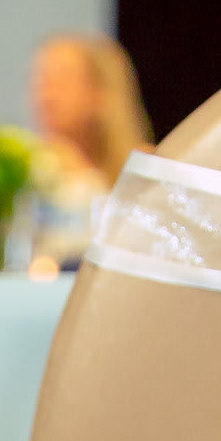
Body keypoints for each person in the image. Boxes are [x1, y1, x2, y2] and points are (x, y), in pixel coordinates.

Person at [19, 32, 152, 268]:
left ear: (100, 92)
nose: (45, 96)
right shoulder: (22, 172)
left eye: (62, 80)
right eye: (40, 81)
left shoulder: (141, 171)